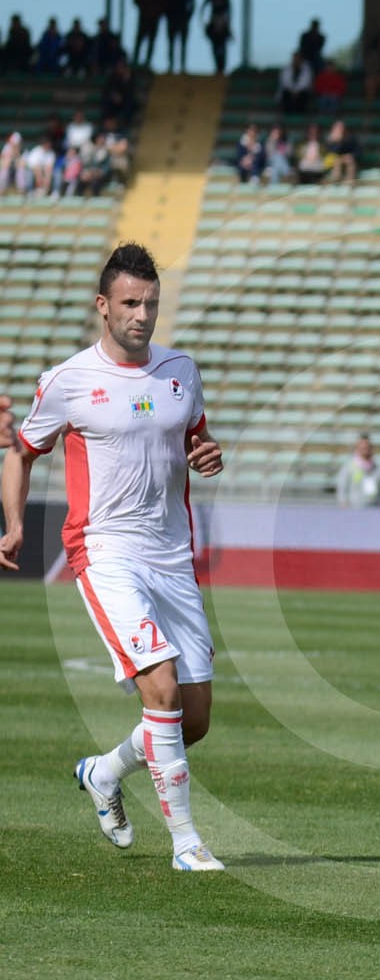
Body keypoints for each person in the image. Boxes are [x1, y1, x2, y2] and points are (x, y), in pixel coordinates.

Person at [1, 244, 228, 871]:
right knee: (159, 688)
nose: (142, 314)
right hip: (105, 550)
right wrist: (16, 524)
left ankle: (104, 772)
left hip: (172, 556)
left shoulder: (182, 370)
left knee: (195, 718)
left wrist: (211, 455)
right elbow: (21, 452)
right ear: (103, 306)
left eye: (151, 303)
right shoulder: (68, 381)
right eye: (130, 302)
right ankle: (187, 843)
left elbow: (198, 441)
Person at [163, 0, 195, 74]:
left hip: (181, 19)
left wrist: (188, 17)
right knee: (172, 44)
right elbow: (164, 4)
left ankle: (182, 66)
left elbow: (192, 5)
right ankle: (172, 66)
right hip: (173, 19)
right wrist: (167, 15)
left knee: (182, 44)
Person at [336, 434, 380, 505]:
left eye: (367, 447)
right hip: (354, 510)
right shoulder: (349, 466)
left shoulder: (379, 467)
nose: (365, 449)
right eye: (362, 447)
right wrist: (344, 502)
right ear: (357, 447)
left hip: (375, 510)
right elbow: (342, 487)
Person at [131, 0, 163, 68]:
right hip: (144, 19)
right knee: (140, 41)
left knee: (150, 42)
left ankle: (147, 62)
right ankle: (135, 61)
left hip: (153, 20)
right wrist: (146, 9)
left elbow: (164, 5)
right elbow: (136, 0)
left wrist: (154, 12)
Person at [202, 0, 233, 75]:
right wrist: (205, 23)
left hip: (222, 24)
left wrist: (226, 24)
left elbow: (229, 13)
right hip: (214, 24)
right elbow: (202, 10)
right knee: (216, 47)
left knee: (222, 48)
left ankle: (222, 67)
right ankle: (218, 67)